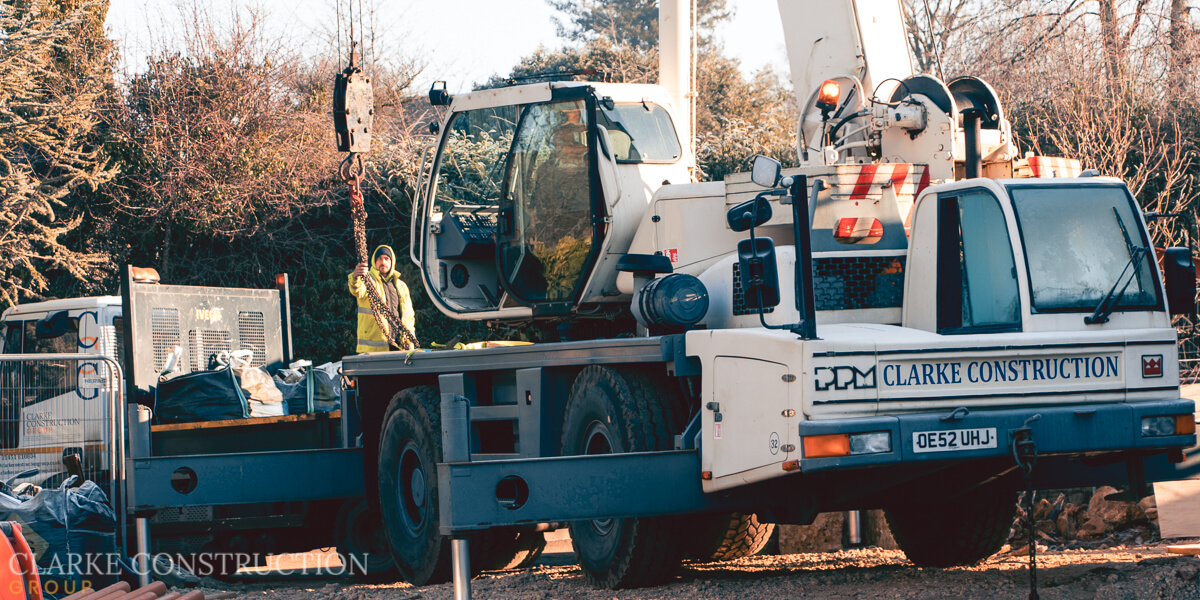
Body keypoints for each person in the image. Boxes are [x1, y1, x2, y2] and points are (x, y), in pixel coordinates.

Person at [348, 245, 416, 352]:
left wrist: (410, 341)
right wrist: (355, 277)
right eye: (379, 259)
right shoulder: (367, 280)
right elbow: (357, 290)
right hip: (372, 350)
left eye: (386, 258)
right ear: (374, 261)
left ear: (392, 262)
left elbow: (409, 317)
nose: (383, 262)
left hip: (399, 347)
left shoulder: (401, 286)